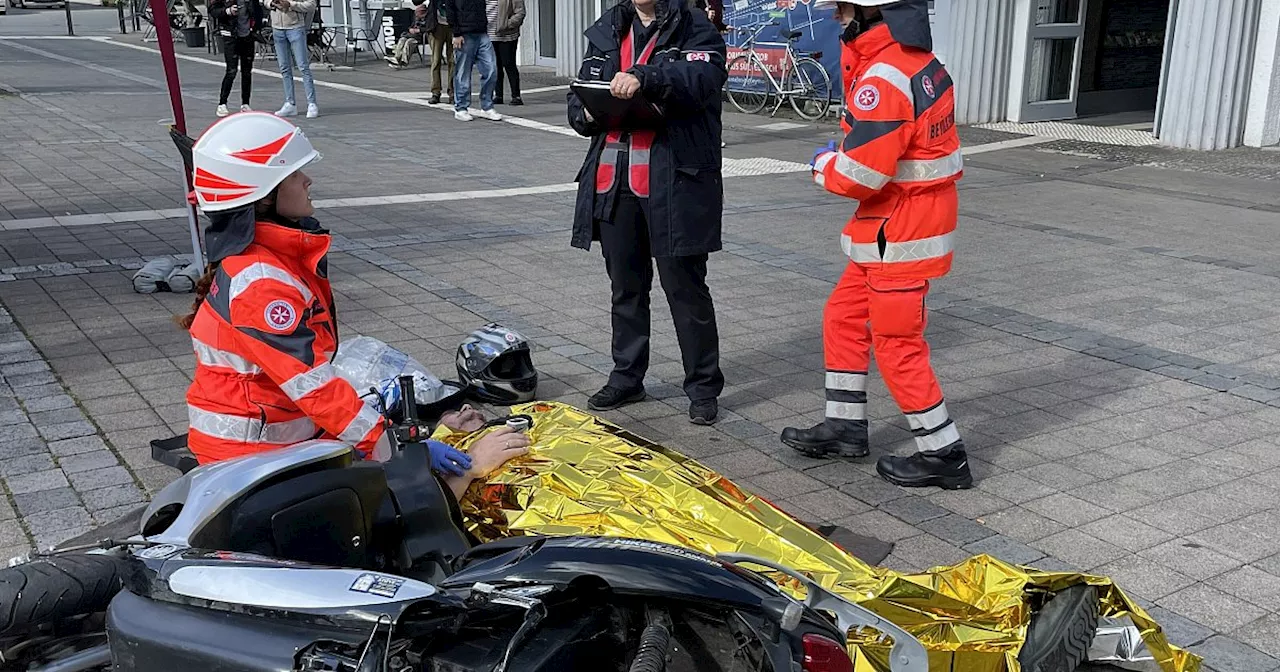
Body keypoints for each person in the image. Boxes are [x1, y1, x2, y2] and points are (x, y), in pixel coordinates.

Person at [179, 112, 532, 479]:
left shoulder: (263, 261)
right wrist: (397, 449)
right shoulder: (264, 285)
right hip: (251, 459)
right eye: (295, 174)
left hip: (268, 441)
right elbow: (314, 388)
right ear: (265, 194)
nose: (307, 180)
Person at [779, 0, 970, 490]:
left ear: (871, 13)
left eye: (843, 9)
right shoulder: (918, 62)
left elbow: (860, 176)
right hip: (896, 225)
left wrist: (822, 163)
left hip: (899, 232)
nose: (837, 17)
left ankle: (944, 454)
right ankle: (845, 428)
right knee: (842, 317)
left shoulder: (883, 77)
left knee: (897, 344)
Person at [566, 0, 727, 425]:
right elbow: (582, 87)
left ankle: (703, 386)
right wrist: (581, 111)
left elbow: (703, 77)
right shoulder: (609, 27)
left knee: (686, 290)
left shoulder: (695, 25)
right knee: (626, 287)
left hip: (674, 181)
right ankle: (627, 377)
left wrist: (645, 77)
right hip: (614, 180)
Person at [444, 0, 501, 121]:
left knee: (491, 69)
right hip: (464, 33)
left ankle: (487, 106)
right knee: (463, 72)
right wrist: (456, 33)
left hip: (481, 31)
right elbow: (450, 9)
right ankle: (461, 108)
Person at [209, 0, 264, 117]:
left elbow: (258, 11)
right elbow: (213, 10)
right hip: (230, 36)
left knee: (247, 71)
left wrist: (256, 28)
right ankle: (222, 103)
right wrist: (227, 11)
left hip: (248, 36)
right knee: (231, 71)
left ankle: (245, 103)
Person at [270, 0, 320, 119]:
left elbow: (311, 5)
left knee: (303, 66)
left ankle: (312, 103)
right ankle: (290, 103)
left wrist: (291, 5)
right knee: (284, 68)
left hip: (295, 27)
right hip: (277, 27)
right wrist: (271, 3)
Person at [489, 0, 525, 105]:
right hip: (489, 35)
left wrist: (506, 24)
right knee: (495, 66)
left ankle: (516, 96)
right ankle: (498, 95)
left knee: (509, 64)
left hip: (507, 35)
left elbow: (520, 12)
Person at [424, 0, 455, 104]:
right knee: (436, 60)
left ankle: (452, 91)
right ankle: (435, 92)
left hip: (453, 25)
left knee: (453, 60)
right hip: (436, 25)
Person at [387, 1, 431, 69]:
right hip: (414, 35)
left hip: (423, 37)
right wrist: (411, 29)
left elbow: (429, 28)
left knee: (409, 42)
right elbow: (411, 26)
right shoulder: (416, 18)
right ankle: (397, 59)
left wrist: (419, 30)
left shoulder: (429, 18)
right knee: (402, 39)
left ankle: (404, 62)